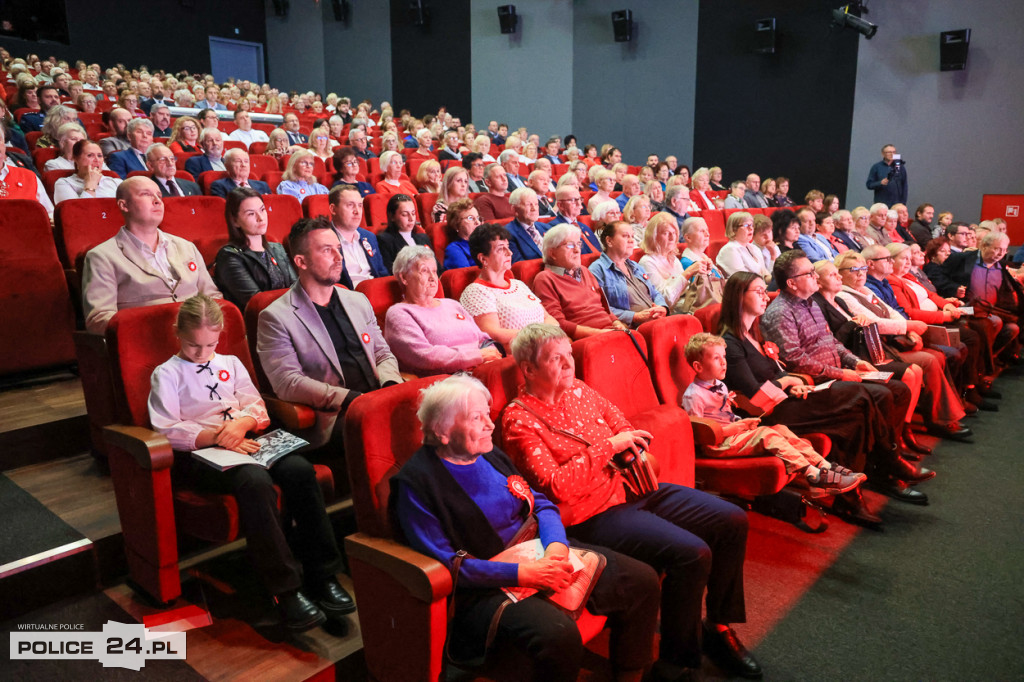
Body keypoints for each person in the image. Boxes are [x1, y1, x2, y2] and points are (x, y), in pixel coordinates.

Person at [502, 324, 762, 680]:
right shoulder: (519, 419)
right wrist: (609, 448)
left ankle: (717, 626)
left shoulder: (579, 389)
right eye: (555, 359)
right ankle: (675, 662)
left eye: (568, 355)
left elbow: (623, 425)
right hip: (591, 514)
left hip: (633, 488)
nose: (568, 365)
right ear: (529, 369)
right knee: (692, 553)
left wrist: (623, 449)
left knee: (731, 519)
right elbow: (557, 484)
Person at [391, 374, 659, 682]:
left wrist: (556, 545)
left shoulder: (487, 452)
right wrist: (525, 574)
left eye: (487, 415)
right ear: (442, 431)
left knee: (643, 581)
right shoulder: (417, 483)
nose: (490, 425)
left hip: (538, 552)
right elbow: (450, 565)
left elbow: (541, 503)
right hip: (485, 586)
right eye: (477, 418)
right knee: (558, 636)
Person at [148, 294, 350, 632]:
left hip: (247, 440)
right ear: (177, 333)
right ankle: (285, 590)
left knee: (300, 471)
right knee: (255, 482)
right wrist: (216, 436)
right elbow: (165, 427)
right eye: (194, 345)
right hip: (204, 455)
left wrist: (242, 423)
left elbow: (255, 405)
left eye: (210, 344)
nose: (202, 353)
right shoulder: (166, 373)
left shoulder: (229, 363)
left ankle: (323, 574)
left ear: (220, 335)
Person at [717, 271, 909, 523]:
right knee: (861, 398)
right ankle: (888, 460)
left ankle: (850, 499)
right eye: (759, 292)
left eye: (765, 290)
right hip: (767, 414)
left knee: (853, 421)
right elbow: (753, 393)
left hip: (787, 400)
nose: (766, 297)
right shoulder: (730, 342)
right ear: (739, 297)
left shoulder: (755, 334)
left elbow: (777, 371)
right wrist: (788, 381)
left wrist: (793, 383)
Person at [760, 251, 932, 504]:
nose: (814, 276)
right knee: (881, 395)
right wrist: (842, 373)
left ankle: (884, 461)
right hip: (815, 384)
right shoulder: (781, 312)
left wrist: (856, 361)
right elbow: (795, 359)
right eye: (808, 273)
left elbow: (832, 343)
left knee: (899, 390)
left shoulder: (813, 304)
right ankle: (887, 465)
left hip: (837, 374)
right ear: (791, 283)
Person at [256, 217, 403, 452]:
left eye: (338, 248)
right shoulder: (275, 317)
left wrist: (391, 384)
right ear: (301, 262)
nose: (339, 257)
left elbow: (382, 353)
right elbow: (288, 383)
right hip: (335, 415)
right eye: (327, 250)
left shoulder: (357, 300)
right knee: (392, 429)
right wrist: (351, 399)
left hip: (379, 399)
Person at [682, 332, 864, 494]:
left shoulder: (720, 384)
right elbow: (699, 434)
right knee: (766, 434)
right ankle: (812, 475)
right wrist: (734, 428)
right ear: (698, 367)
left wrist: (741, 422)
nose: (724, 362)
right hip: (718, 445)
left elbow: (725, 415)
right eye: (716, 358)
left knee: (780, 429)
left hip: (733, 434)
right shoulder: (694, 395)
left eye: (724, 357)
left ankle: (823, 465)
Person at [830, 249, 971, 441]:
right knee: (930, 360)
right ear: (840, 273)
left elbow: (892, 312)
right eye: (854, 269)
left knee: (939, 354)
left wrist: (908, 329)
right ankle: (934, 421)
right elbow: (872, 322)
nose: (861, 273)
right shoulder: (844, 295)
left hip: (890, 342)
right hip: (872, 350)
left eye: (862, 268)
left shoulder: (865, 289)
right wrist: (908, 326)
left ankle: (941, 414)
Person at [81, 176, 222, 334]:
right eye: (146, 194)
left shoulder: (187, 247)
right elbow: (98, 320)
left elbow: (212, 296)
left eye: (159, 196)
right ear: (124, 205)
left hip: (200, 339)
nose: (157, 201)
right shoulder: (102, 256)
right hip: (146, 343)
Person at [885, 242, 992, 409]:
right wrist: (944, 315)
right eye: (903, 258)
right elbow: (909, 313)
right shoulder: (892, 282)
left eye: (909, 258)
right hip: (926, 325)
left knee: (979, 322)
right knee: (968, 340)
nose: (908, 262)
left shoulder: (909, 276)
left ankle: (971, 386)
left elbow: (931, 295)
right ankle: (965, 392)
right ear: (890, 261)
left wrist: (947, 305)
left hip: (940, 316)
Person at [384, 245, 499, 376]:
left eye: (434, 271)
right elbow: (424, 356)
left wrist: (491, 355)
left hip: (483, 368)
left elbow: (483, 339)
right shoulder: (399, 313)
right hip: (449, 380)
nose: (433, 277)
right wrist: (477, 356)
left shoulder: (452, 304)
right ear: (404, 277)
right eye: (424, 271)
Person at [461, 223, 559, 347]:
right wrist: (539, 336)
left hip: (546, 344)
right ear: (483, 258)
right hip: (520, 353)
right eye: (501, 249)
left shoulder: (518, 285)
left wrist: (547, 336)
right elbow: (492, 333)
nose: (510, 253)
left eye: (508, 246)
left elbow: (548, 318)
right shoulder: (476, 292)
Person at [531, 224, 627, 339]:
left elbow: (604, 308)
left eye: (578, 244)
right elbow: (557, 324)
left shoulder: (585, 271)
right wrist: (599, 333)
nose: (577, 250)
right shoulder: (545, 279)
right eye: (570, 245)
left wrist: (617, 323)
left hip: (610, 332)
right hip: (588, 339)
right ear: (553, 253)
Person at [942, 231, 1022, 363]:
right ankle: (983, 361)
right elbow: (938, 276)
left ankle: (986, 358)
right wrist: (954, 288)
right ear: (984, 245)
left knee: (1013, 328)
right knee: (994, 322)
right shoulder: (963, 259)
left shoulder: (1001, 267)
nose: (1001, 253)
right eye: (996, 249)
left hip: (991, 310)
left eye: (1004, 249)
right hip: (965, 309)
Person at [214, 188, 297, 310]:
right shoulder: (229, 256)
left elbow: (297, 289)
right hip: (262, 322)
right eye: (251, 214)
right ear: (235, 221)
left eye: (262, 210)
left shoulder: (277, 248)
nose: (261, 218)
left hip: (291, 314)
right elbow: (256, 302)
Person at [589, 221, 668, 328]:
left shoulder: (635, 265)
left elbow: (654, 292)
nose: (632, 240)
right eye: (626, 236)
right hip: (631, 327)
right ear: (609, 241)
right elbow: (599, 307)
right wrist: (634, 316)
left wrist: (662, 307)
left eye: (632, 236)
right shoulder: (597, 269)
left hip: (656, 321)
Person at [326, 184, 387, 284]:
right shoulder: (324, 240)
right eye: (350, 205)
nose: (357, 211)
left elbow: (381, 272)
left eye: (360, 205)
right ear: (333, 209)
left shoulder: (369, 237)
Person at [54, 140, 122, 204]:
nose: (97, 160)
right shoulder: (64, 184)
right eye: (90, 155)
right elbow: (77, 214)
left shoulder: (116, 182)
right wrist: (90, 185)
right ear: (76, 159)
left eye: (99, 156)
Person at [716, 212, 772, 280]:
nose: (751, 228)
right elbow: (743, 280)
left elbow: (765, 274)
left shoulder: (754, 248)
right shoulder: (729, 250)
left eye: (751, 225)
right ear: (734, 229)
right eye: (746, 225)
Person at [443, 199, 482, 270]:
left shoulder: (484, 243)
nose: (478, 222)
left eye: (478, 218)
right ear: (456, 224)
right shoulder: (454, 249)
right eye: (471, 218)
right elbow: (466, 277)